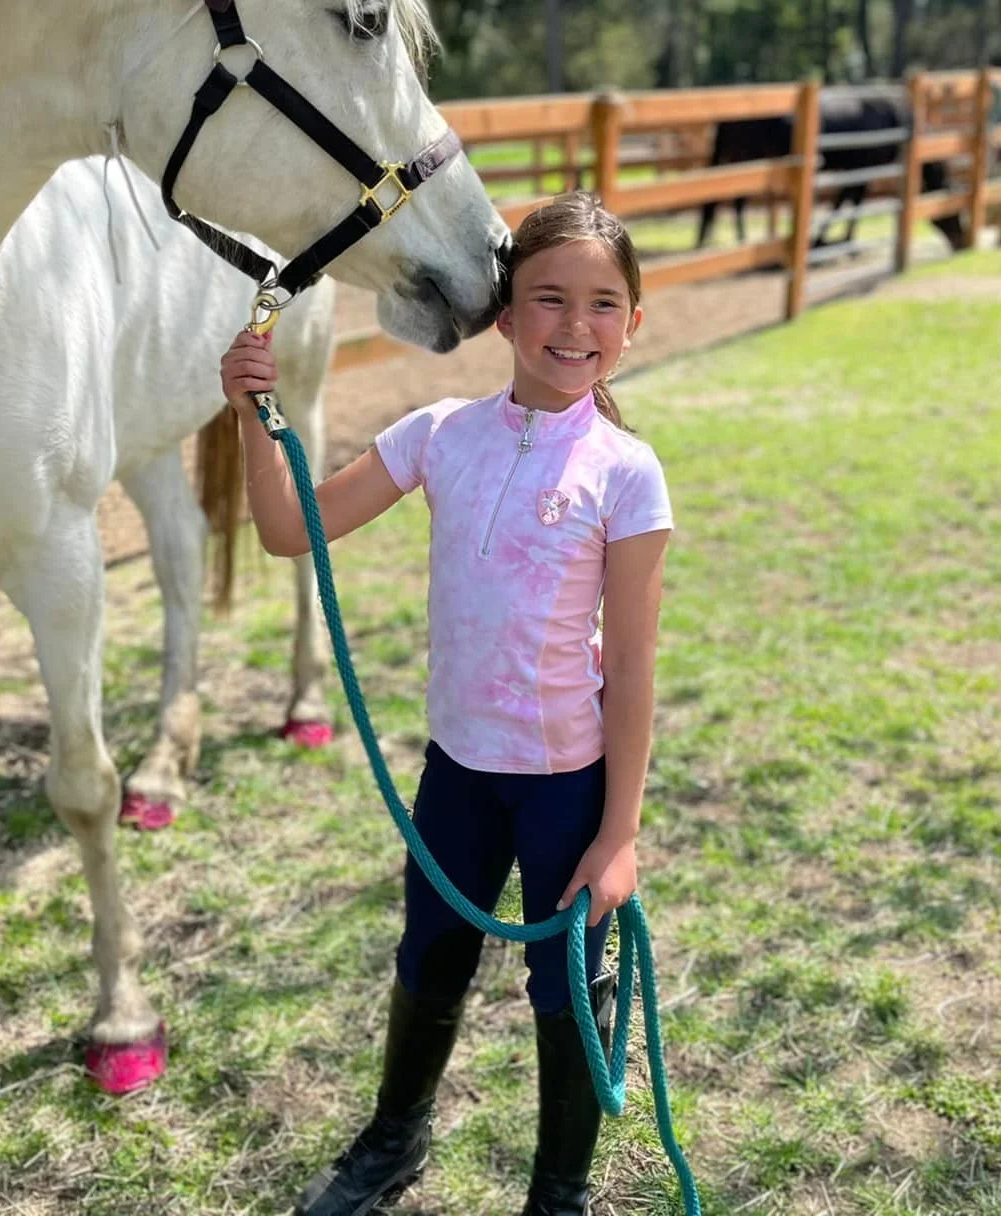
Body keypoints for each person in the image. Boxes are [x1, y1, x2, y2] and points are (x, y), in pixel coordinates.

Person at [219, 193, 673, 1216]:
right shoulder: (439, 435)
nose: (573, 326)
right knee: (428, 957)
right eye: (546, 299)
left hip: (566, 787)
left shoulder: (625, 475)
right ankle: (392, 1141)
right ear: (503, 315)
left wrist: (618, 835)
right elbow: (289, 529)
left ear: (631, 324)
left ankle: (557, 1194)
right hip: (458, 775)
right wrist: (253, 419)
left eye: (602, 305)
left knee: (563, 991)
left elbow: (635, 672)